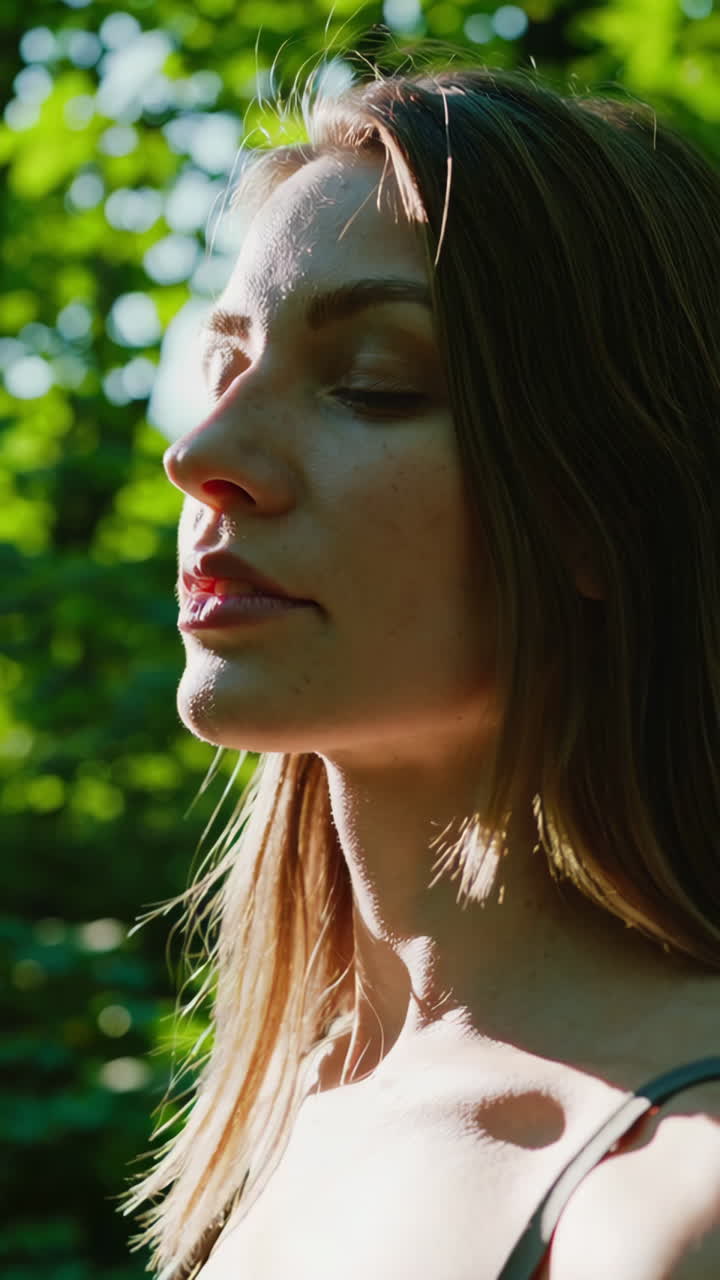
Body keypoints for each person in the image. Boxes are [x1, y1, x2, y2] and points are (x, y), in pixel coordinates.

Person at [122, 57, 720, 1279]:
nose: (202, 454)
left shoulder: (668, 1191)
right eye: (226, 367)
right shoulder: (293, 1110)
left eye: (371, 385)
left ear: (598, 512)